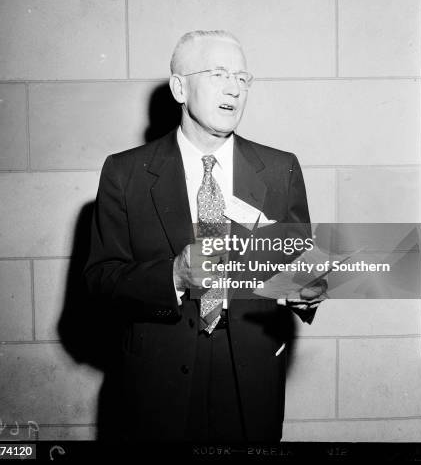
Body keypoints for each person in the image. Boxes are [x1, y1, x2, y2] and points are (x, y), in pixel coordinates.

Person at [84, 30, 325, 444]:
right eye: (218, 74)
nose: (234, 88)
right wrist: (173, 277)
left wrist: (308, 289)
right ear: (180, 87)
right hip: (155, 383)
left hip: (251, 379)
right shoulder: (125, 174)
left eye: (242, 78)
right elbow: (100, 279)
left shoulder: (280, 169)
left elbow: (299, 266)